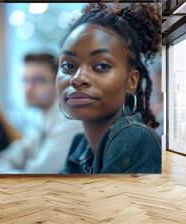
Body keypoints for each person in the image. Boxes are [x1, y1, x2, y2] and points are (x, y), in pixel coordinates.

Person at [57, 3, 161, 174]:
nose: (77, 78)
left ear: (131, 81)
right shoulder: (81, 145)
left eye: (102, 66)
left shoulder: (134, 139)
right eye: (68, 65)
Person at [0, 53, 82, 174]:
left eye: (39, 80)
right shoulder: (41, 117)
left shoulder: (70, 120)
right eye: (25, 80)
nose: (28, 88)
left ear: (59, 83)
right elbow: (15, 154)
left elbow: (38, 175)